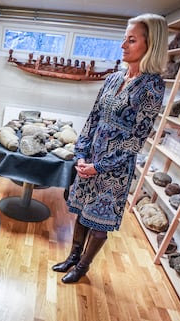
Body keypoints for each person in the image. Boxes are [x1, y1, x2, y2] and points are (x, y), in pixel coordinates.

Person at [52, 13, 168, 284]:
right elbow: (93, 117)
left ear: (150, 45)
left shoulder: (153, 86)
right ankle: (72, 257)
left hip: (113, 170)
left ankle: (82, 267)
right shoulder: (113, 79)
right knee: (81, 212)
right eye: (124, 39)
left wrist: (100, 166)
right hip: (90, 158)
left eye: (131, 40)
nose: (123, 45)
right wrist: (81, 154)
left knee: (99, 222)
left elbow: (137, 139)